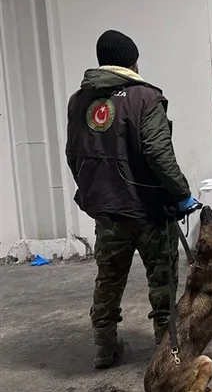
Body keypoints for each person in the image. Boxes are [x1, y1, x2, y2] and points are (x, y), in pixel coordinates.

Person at [65, 30, 198, 369]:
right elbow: (158, 152)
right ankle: (166, 351)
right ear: (133, 61)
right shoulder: (144, 97)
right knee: (163, 282)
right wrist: (182, 194)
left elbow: (73, 154)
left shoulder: (79, 100)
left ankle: (104, 346)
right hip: (150, 210)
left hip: (109, 212)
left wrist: (96, 191)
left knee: (108, 279)